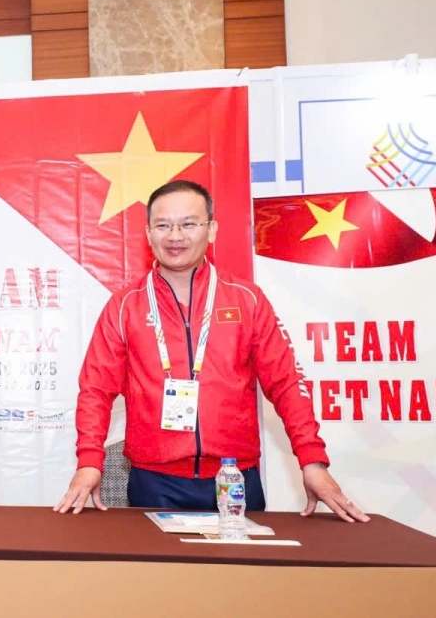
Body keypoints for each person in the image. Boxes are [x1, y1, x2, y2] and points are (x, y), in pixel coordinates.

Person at [56, 180, 369, 522]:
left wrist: (312, 461)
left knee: (239, 576)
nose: (175, 236)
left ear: (212, 229)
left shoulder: (246, 299)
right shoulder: (124, 306)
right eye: (163, 225)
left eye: (189, 224)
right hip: (154, 481)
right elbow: (95, 391)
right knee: (164, 576)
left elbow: (286, 383)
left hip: (234, 478)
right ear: (148, 234)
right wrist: (88, 463)